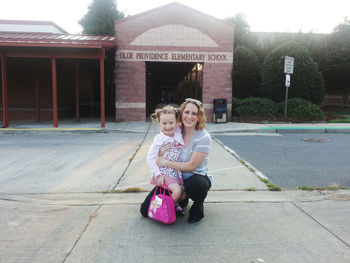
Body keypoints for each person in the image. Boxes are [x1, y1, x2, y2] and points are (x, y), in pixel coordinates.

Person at [140, 98, 212, 223]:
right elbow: (165, 122)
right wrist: (159, 153)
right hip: (172, 177)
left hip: (193, 177)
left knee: (197, 185)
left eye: (194, 113)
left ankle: (196, 205)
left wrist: (165, 162)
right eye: (187, 112)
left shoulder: (203, 137)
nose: (189, 116)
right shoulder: (176, 130)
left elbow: (191, 167)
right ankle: (180, 199)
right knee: (145, 210)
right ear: (181, 113)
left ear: (199, 116)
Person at [146, 105, 185, 213]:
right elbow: (150, 157)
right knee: (177, 191)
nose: (168, 126)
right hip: (164, 173)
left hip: (176, 172)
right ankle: (164, 211)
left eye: (171, 123)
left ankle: (173, 204)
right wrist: (157, 174)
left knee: (183, 192)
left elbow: (183, 123)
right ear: (159, 123)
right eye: (164, 123)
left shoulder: (177, 132)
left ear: (176, 121)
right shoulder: (160, 139)